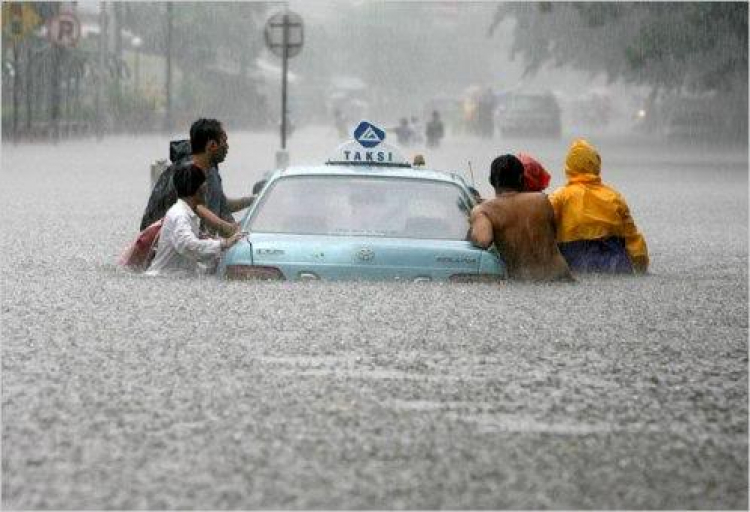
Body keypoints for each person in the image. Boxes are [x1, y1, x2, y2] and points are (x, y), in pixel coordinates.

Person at [139, 118, 254, 236]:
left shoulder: (208, 169)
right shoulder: (188, 174)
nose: (227, 147)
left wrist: (255, 201)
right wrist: (228, 230)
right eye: (224, 141)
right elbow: (198, 208)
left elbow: (221, 204)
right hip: (170, 244)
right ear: (212, 145)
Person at [549, 139, 649, 274]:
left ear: (568, 167)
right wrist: (641, 266)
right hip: (615, 261)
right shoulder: (614, 197)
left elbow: (543, 228)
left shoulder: (560, 197)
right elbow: (632, 237)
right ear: (596, 164)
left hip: (574, 260)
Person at [469, 154, 573, 282]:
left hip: (526, 283)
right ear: (522, 178)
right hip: (561, 277)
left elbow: (483, 240)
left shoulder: (484, 211)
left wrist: (474, 222)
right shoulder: (542, 200)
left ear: (491, 180)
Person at [146, 165, 242, 276]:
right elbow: (188, 245)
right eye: (205, 184)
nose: (207, 189)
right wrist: (223, 244)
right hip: (165, 279)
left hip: (175, 278)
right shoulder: (180, 215)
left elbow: (193, 254)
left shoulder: (188, 213)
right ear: (200, 188)